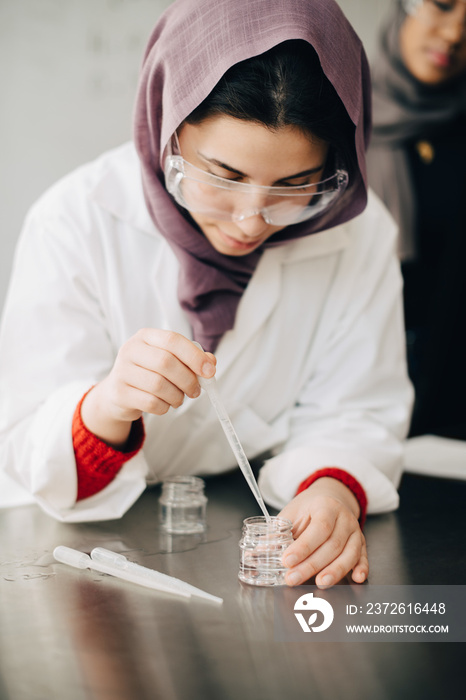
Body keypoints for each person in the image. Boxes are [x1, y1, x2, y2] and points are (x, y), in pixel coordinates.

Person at [0, 0, 412, 588]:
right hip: (65, 544)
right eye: (223, 176)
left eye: (296, 186)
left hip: (229, 522)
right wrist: (110, 404)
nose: (249, 220)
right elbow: (27, 439)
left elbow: (357, 408)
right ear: (169, 123)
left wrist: (332, 485)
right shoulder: (76, 221)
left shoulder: (360, 232)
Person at [367, 0, 466, 438]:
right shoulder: (331, 113)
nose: (453, 35)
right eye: (442, 5)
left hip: (447, 390)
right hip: (341, 369)